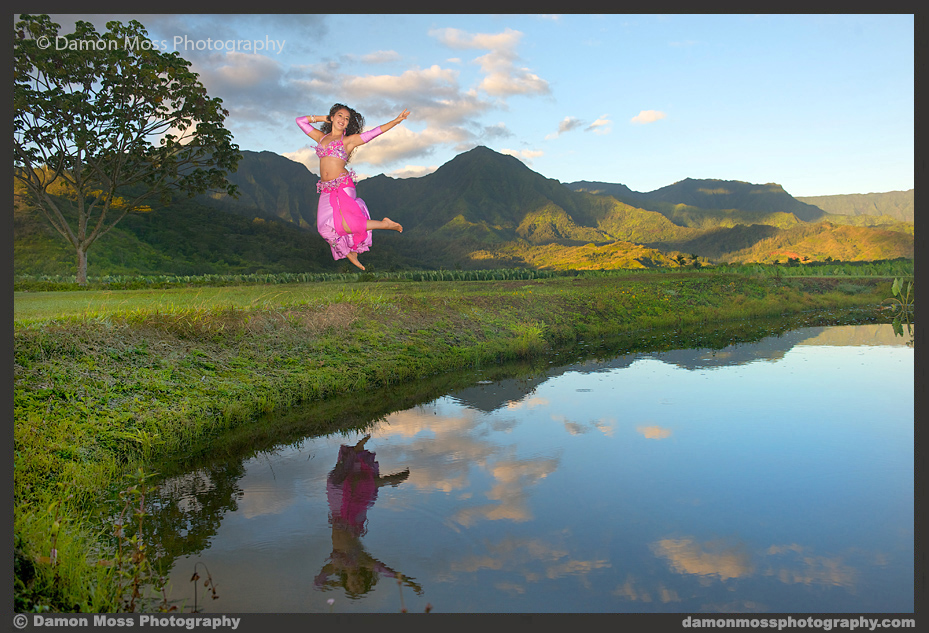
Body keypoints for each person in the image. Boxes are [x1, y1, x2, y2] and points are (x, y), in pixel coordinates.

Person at [296, 104, 409, 270]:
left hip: (343, 185)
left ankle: (385, 224)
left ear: (348, 124)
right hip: (326, 189)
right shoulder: (321, 137)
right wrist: (324, 117)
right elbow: (300, 121)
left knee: (350, 222)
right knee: (323, 228)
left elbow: (374, 133)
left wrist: (396, 121)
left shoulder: (348, 141)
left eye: (347, 119)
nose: (343, 120)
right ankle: (349, 252)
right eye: (340, 116)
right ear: (332, 117)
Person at [313, 435, 422, 600]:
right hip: (352, 519)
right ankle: (387, 480)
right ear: (365, 579)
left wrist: (336, 585)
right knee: (360, 487)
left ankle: (358, 452)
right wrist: (408, 582)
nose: (357, 583)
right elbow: (386, 571)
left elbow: (318, 583)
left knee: (337, 480)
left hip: (338, 514)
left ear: (347, 584)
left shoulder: (337, 566)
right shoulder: (363, 562)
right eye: (361, 584)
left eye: (353, 586)